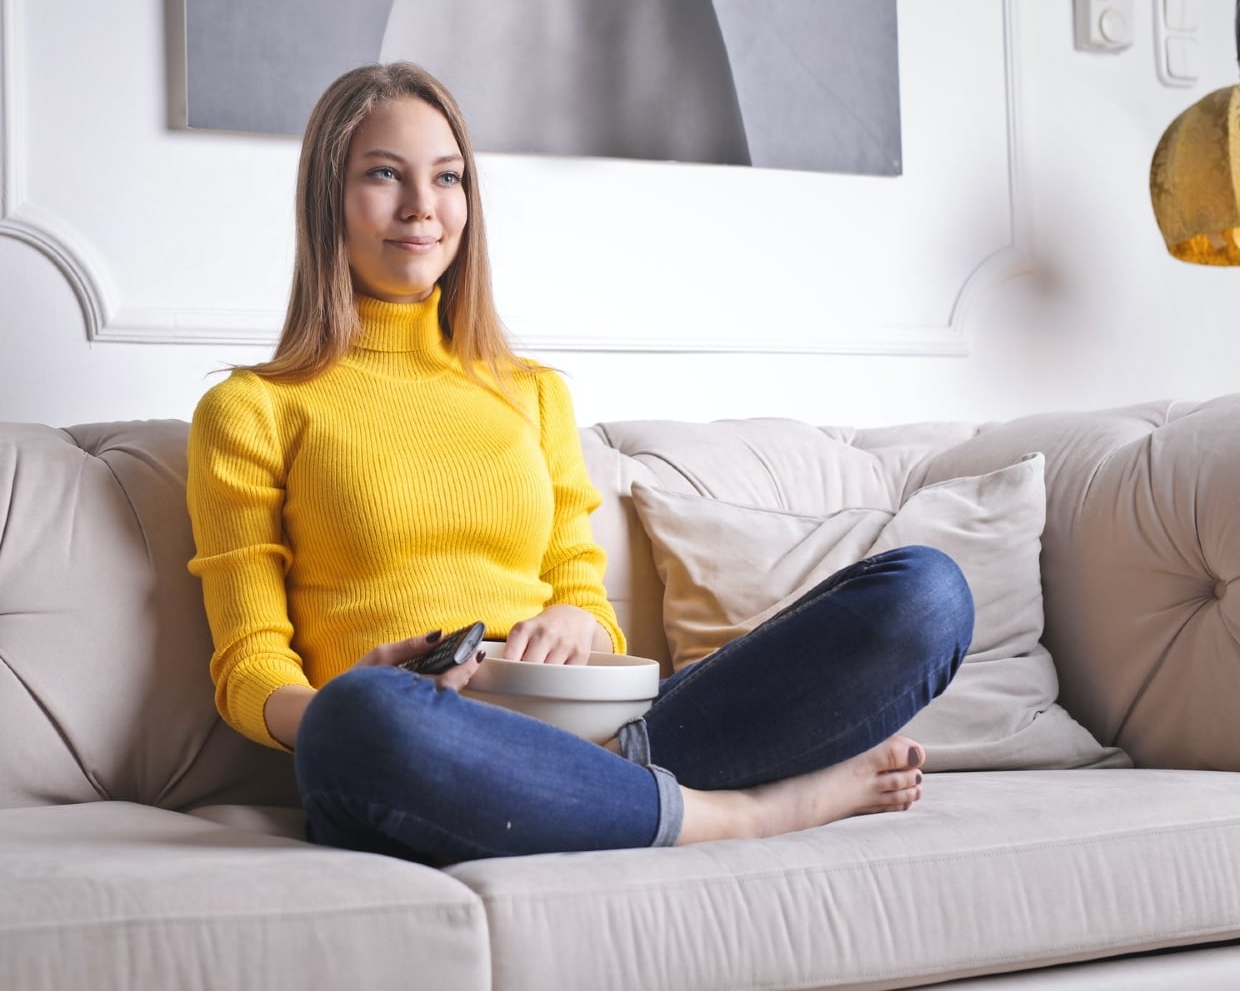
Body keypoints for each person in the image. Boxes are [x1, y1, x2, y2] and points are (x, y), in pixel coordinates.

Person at [186, 62, 973, 866]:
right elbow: (249, 664)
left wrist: (576, 623)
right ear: (328, 198)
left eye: (448, 177)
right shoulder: (252, 409)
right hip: (413, 749)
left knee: (927, 593)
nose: (423, 206)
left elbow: (586, 602)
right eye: (384, 174)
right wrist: (339, 699)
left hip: (594, 732)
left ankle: (602, 790)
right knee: (359, 720)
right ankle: (742, 816)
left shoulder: (532, 394)